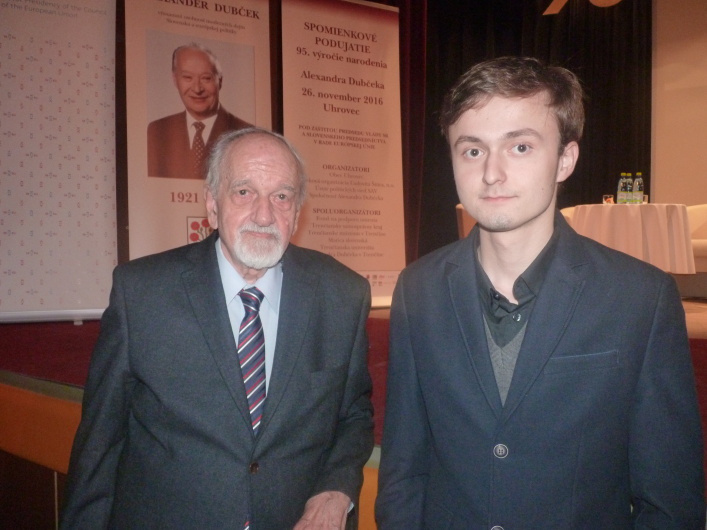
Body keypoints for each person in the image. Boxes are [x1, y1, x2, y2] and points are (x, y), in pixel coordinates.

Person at [375, 56, 705, 528]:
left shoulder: (639, 299)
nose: (492, 173)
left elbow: (670, 499)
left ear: (565, 159)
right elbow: (404, 468)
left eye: (520, 147)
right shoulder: (418, 289)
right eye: (472, 150)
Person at [63, 128, 374, 529]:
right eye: (244, 192)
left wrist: (337, 490)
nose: (264, 215)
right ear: (212, 204)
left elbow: (354, 414)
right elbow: (99, 445)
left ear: (297, 211)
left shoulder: (343, 295)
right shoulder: (142, 294)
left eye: (281, 196)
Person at [147, 42, 251, 179]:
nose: (197, 89)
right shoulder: (157, 131)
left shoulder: (246, 134)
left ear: (219, 81)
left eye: (206, 78)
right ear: (175, 80)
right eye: (187, 78)